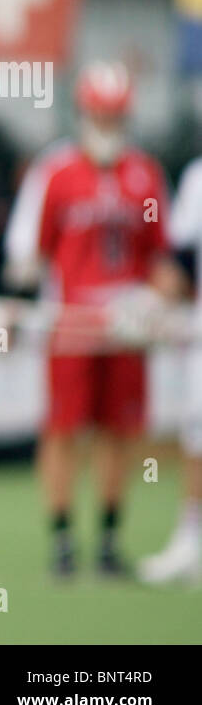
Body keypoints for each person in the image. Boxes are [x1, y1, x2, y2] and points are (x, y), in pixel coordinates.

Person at [3, 61, 182, 578]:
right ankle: (61, 538)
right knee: (63, 428)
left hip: (128, 326)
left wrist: (153, 298)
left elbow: (162, 258)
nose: (107, 124)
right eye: (99, 114)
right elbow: (25, 253)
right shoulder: (56, 171)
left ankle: (107, 537)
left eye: (115, 114)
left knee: (118, 430)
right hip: (71, 324)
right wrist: (19, 308)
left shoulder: (145, 174)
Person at [138, 151, 202, 586]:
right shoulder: (198, 176)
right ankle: (190, 542)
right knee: (197, 439)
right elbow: (177, 261)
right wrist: (146, 303)